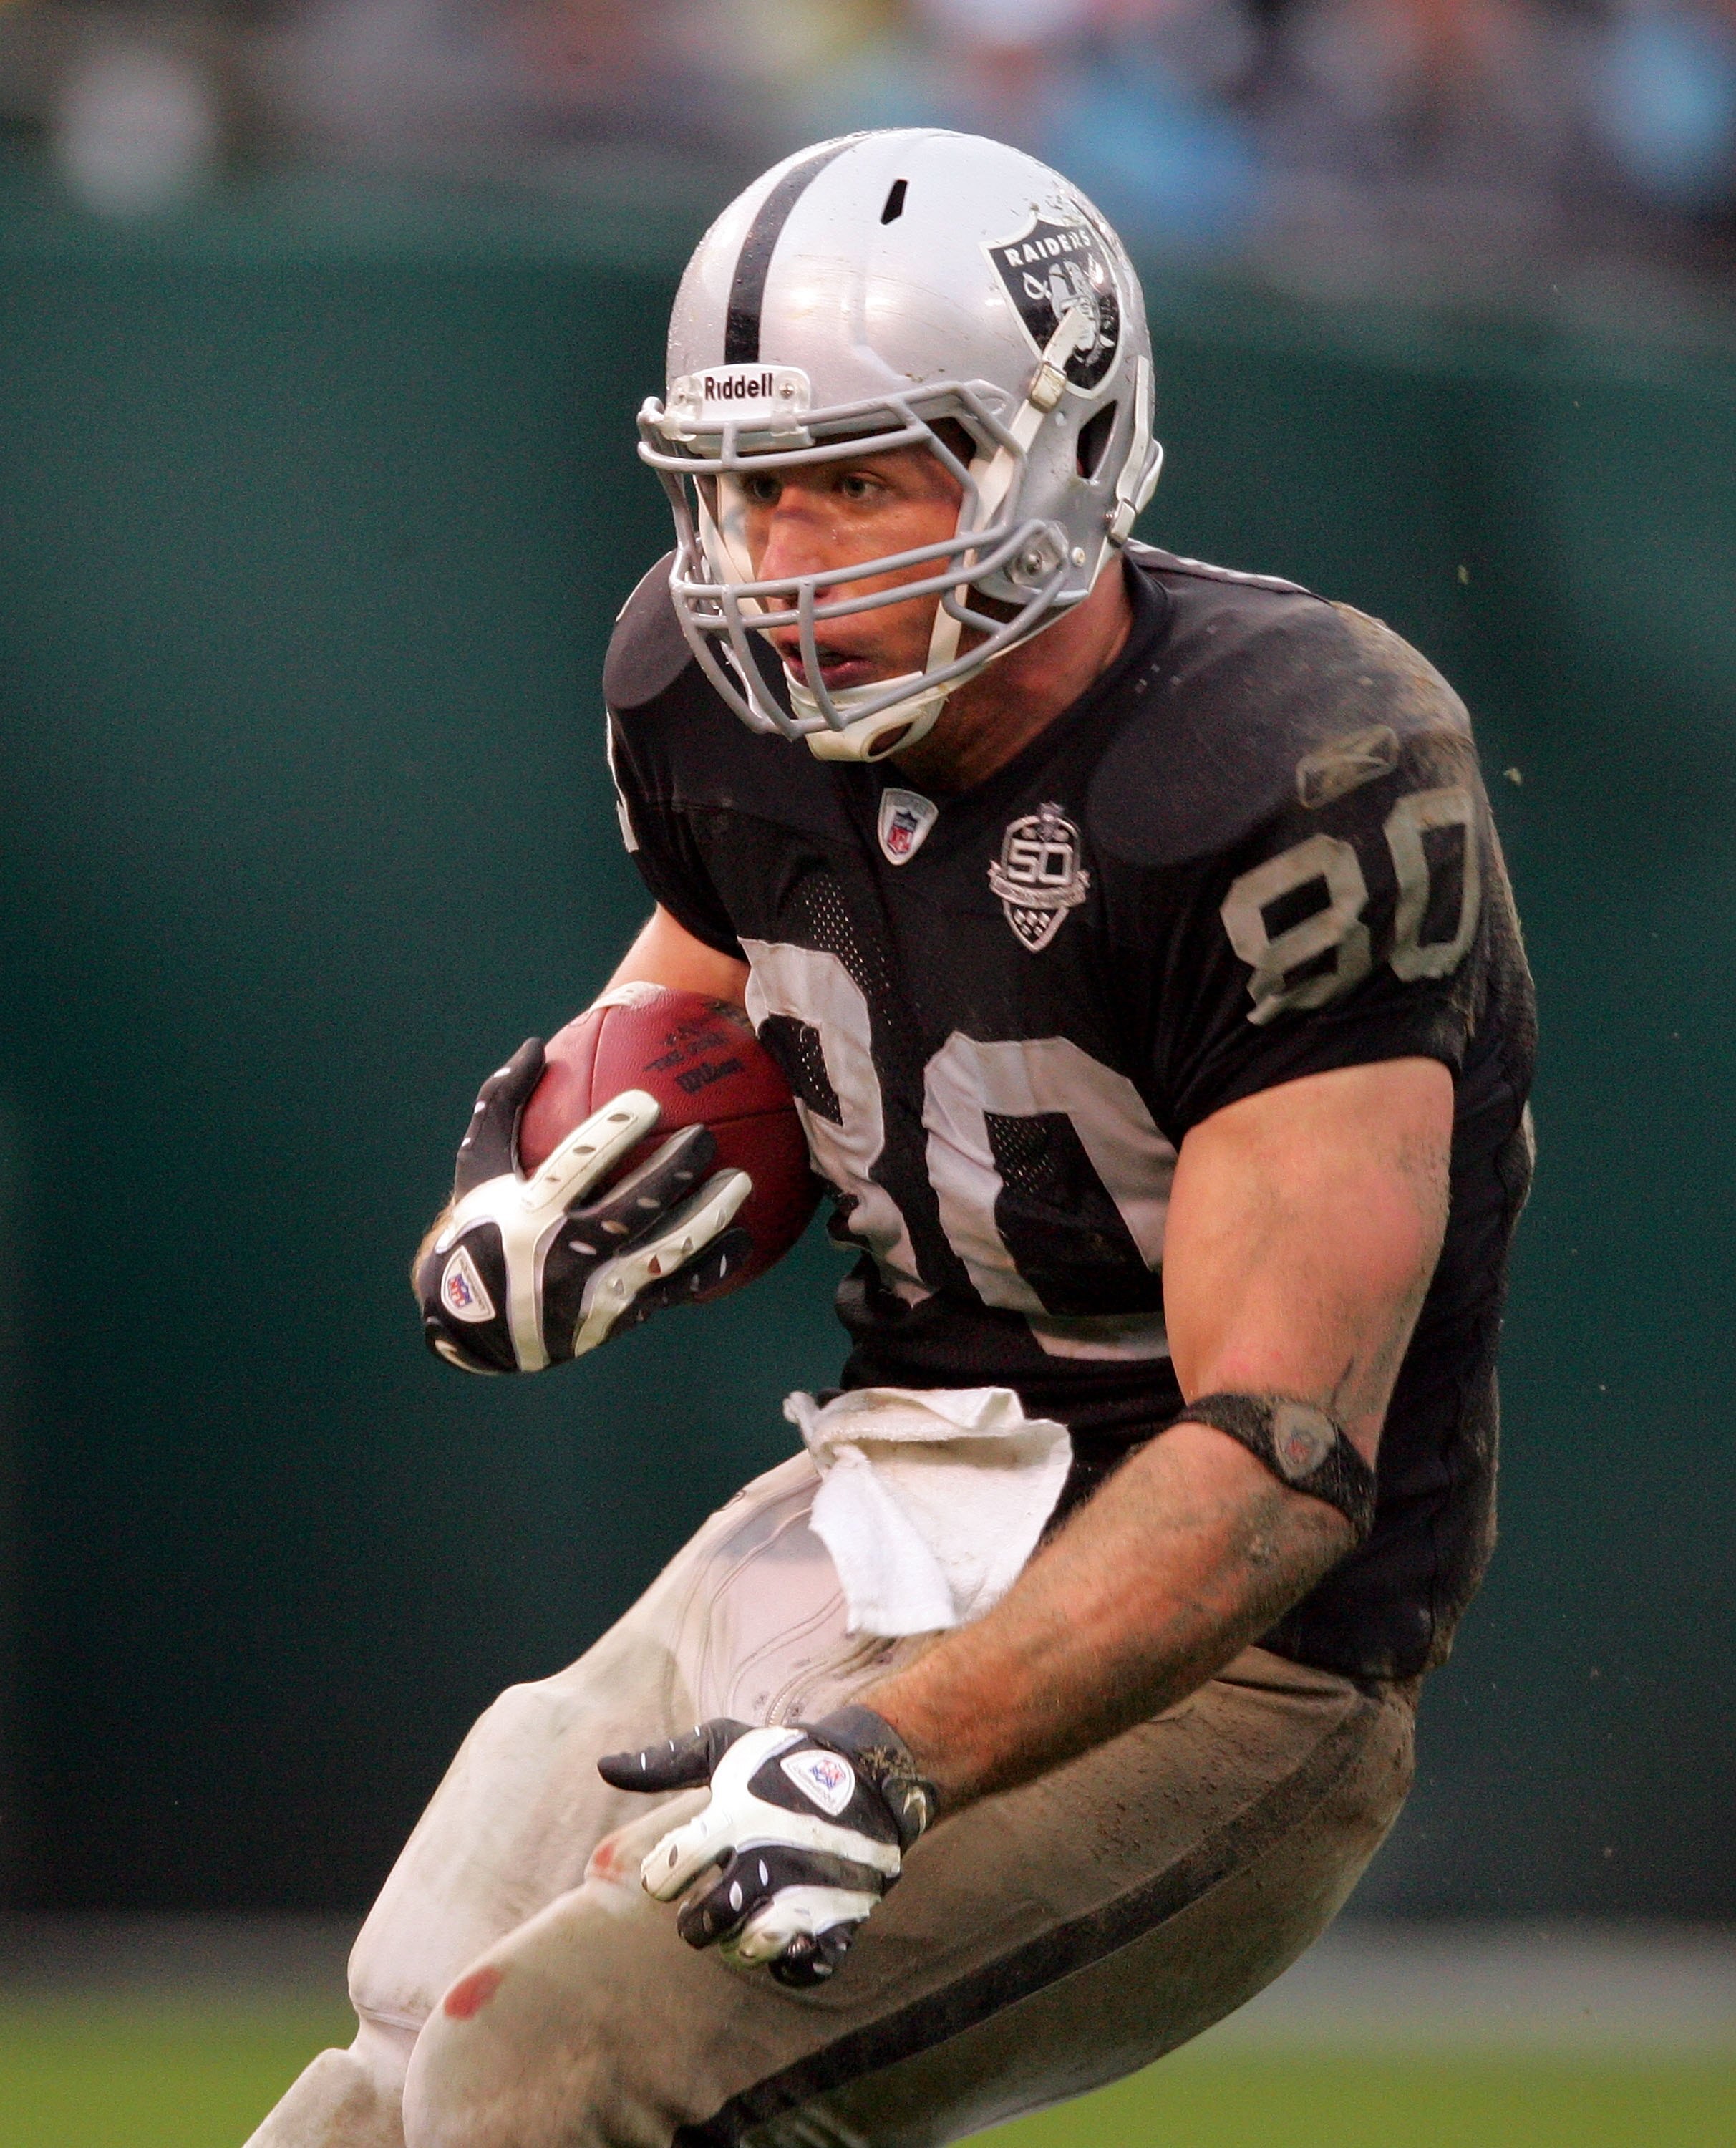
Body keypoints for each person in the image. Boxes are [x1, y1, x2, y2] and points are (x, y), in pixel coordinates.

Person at [248, 126, 1534, 2148]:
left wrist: (886, 1748)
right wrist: (562, 1182)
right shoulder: (703, 697)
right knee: (393, 2051)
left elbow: (1280, 1468)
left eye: (856, 481)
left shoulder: (1288, 769)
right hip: (891, 1491)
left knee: (557, 2059)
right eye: (743, 487)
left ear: (1058, 453)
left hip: (1229, 1649)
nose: (778, 564)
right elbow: (705, 986)